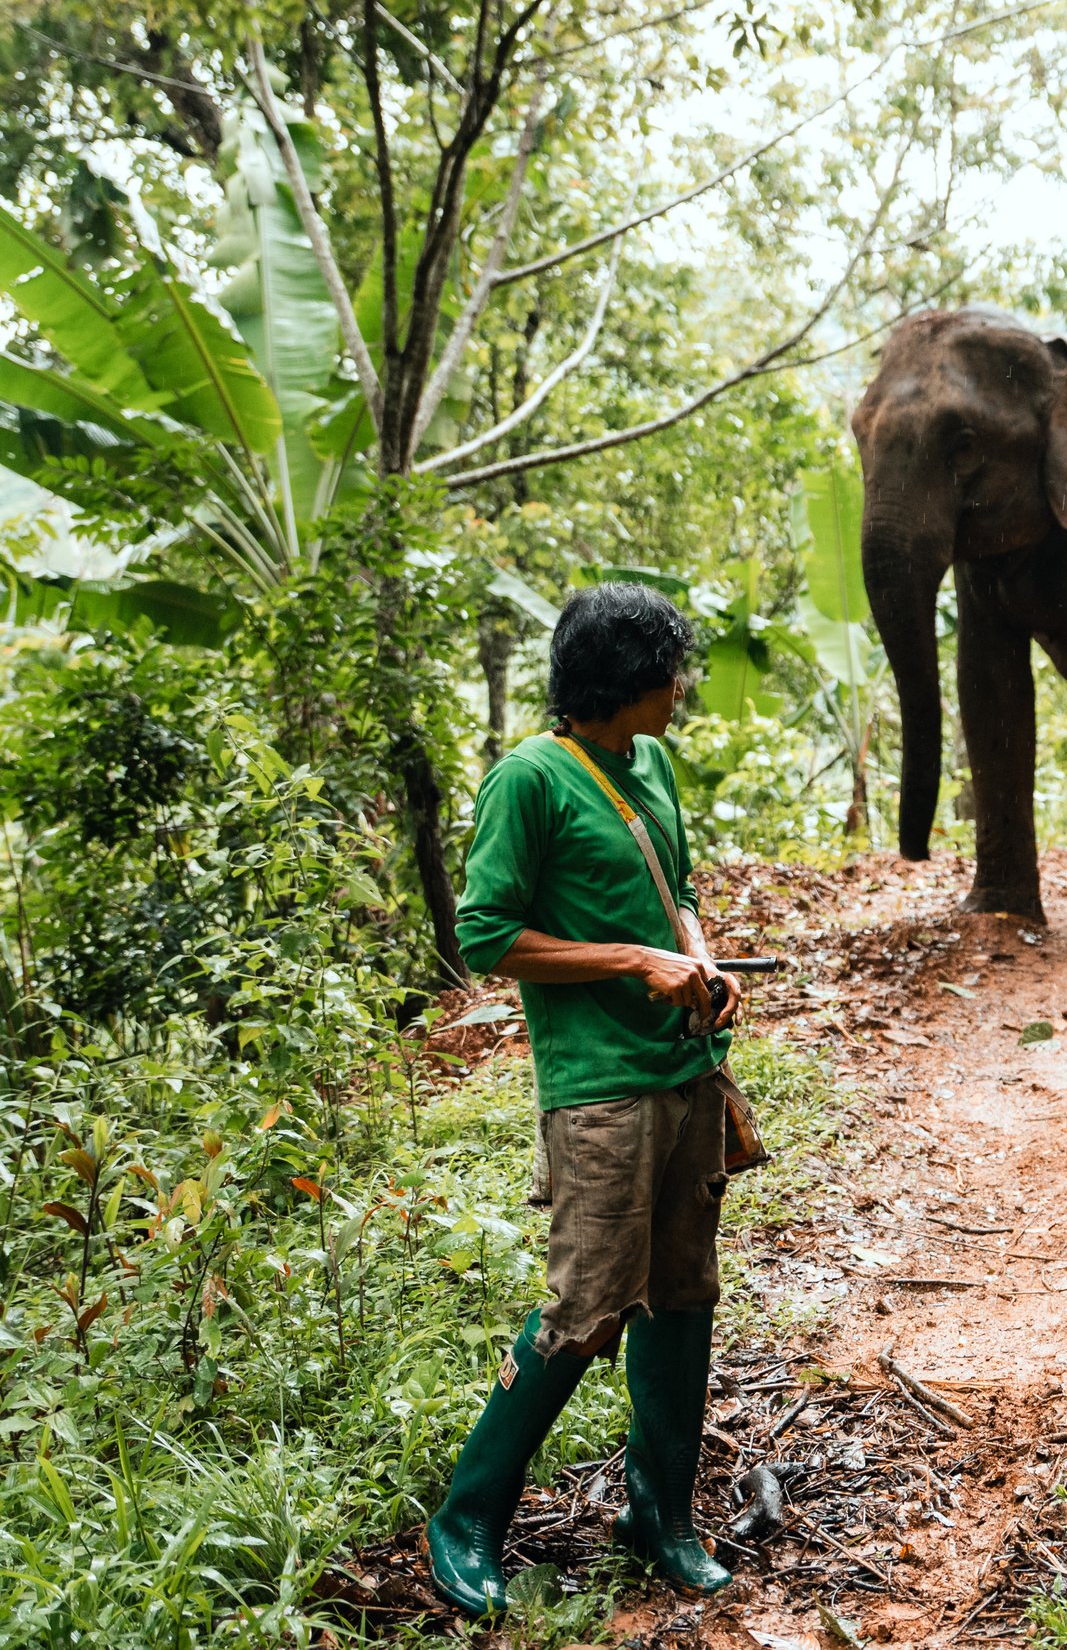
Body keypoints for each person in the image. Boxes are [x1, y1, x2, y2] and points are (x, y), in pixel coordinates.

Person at [425, 582, 753, 1616]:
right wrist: (634, 963)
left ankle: (661, 1514)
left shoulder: (650, 762)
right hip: (599, 1090)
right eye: (670, 672)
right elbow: (483, 936)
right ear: (626, 685)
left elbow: (679, 887)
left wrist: (698, 957)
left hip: (686, 1070)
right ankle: (468, 1513)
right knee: (581, 1310)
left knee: (683, 1294)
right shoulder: (528, 781)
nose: (682, 687)